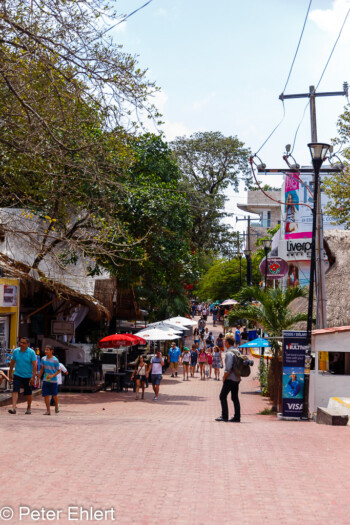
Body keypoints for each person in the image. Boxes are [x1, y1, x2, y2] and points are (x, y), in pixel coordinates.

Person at [8, 337, 37, 415]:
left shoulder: (31, 352)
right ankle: (13, 407)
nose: (21, 344)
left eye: (23, 343)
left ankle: (29, 407)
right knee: (15, 390)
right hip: (17, 374)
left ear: (28, 344)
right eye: (20, 342)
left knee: (28, 393)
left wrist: (33, 377)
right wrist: (10, 374)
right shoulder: (16, 351)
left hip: (28, 375)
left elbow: (34, 365)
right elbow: (12, 363)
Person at [215, 333, 241, 423]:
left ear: (227, 342)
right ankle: (237, 417)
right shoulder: (237, 351)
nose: (224, 343)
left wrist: (224, 377)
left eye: (225, 341)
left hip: (230, 378)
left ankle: (224, 416)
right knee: (234, 398)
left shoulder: (229, 353)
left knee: (222, 396)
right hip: (237, 378)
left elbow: (228, 368)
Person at [38, 345, 60, 415]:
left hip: (53, 380)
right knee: (45, 395)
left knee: (54, 395)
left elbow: (59, 370)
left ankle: (56, 406)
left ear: (51, 351)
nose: (45, 351)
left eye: (47, 350)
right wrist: (38, 378)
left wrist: (52, 375)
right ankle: (48, 410)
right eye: (45, 349)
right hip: (45, 379)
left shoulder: (55, 360)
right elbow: (42, 369)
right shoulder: (43, 359)